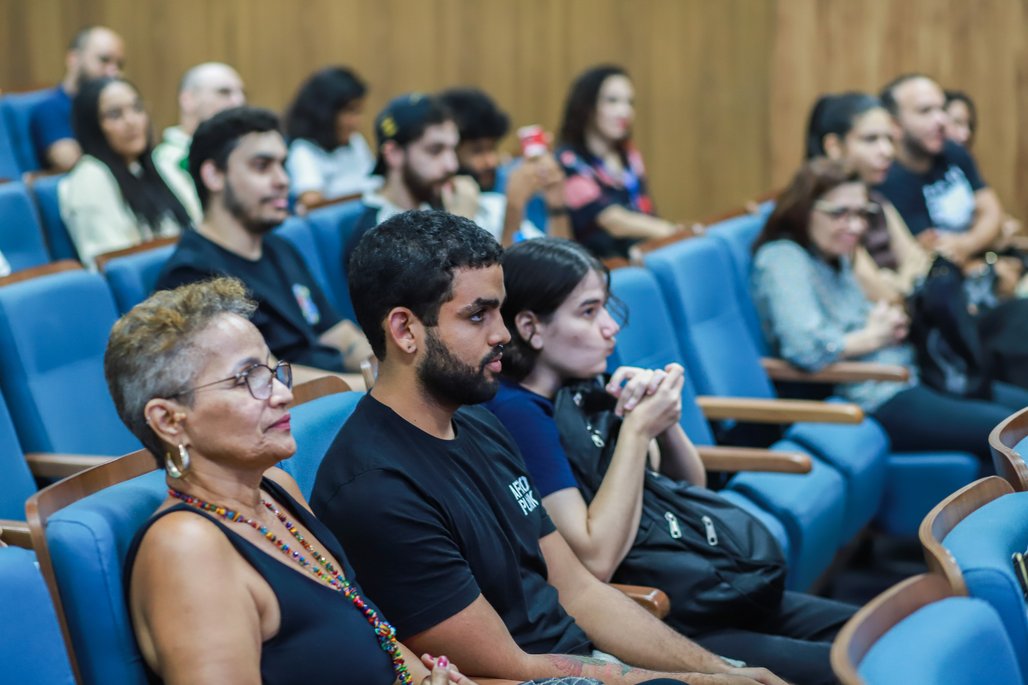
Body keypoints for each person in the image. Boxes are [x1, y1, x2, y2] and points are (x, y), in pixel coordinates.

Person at [311, 209, 787, 685]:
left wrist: (720, 670)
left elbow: (578, 588)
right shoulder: (375, 491)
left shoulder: (479, 421)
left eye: (499, 311)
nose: (502, 334)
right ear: (405, 331)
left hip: (587, 663)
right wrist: (694, 683)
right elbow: (509, 666)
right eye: (478, 315)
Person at [487, 237, 854, 685]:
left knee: (873, 637)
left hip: (698, 582)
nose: (609, 328)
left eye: (606, 308)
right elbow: (595, 558)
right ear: (531, 327)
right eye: (588, 312)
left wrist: (666, 421)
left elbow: (687, 486)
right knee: (851, 668)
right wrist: (637, 431)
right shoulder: (520, 413)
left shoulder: (578, 386)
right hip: (659, 613)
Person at [106, 276, 478, 685]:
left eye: (272, 370)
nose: (283, 394)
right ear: (169, 420)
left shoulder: (278, 490)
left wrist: (426, 680)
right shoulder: (186, 548)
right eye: (248, 378)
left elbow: (374, 634)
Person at [751, 157, 1028, 462]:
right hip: (874, 394)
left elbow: (853, 320)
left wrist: (886, 322)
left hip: (912, 372)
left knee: (1022, 415)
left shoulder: (833, 253)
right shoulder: (782, 259)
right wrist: (874, 336)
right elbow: (803, 348)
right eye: (839, 213)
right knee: (1012, 434)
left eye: (861, 214)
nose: (855, 226)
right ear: (804, 209)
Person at [155, 106, 371, 384]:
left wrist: (388, 372)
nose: (283, 180)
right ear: (214, 176)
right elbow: (258, 377)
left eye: (282, 165)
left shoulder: (279, 247)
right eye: (262, 166)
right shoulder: (191, 276)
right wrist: (367, 387)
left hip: (337, 394)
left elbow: (335, 331)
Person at [59, 77, 196, 269]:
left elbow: (198, 228)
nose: (131, 121)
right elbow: (113, 264)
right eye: (115, 115)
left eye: (137, 109)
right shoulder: (90, 176)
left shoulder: (158, 164)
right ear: (92, 126)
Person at [805, 92, 930, 302]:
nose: (887, 151)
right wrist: (902, 287)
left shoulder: (876, 199)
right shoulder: (823, 212)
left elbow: (919, 261)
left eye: (889, 139)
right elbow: (877, 291)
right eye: (871, 139)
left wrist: (895, 282)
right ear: (834, 147)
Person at [556, 65, 682, 259]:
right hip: (601, 266)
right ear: (587, 106)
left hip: (644, 255)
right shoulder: (567, 160)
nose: (625, 111)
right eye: (612, 101)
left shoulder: (629, 155)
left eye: (630, 102)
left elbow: (645, 208)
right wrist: (671, 231)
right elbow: (611, 219)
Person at [876, 74, 1003, 266]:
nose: (942, 120)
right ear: (895, 124)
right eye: (925, 111)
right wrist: (985, 242)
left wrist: (968, 243)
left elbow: (992, 212)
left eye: (942, 109)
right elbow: (931, 252)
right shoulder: (887, 177)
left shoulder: (953, 151)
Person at [438, 87, 570, 245]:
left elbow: (564, 263)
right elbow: (502, 269)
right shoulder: (436, 209)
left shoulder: (499, 191)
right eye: (477, 151)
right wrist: (514, 205)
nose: (491, 161)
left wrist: (556, 205)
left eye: (492, 148)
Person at [29, 26, 125, 172]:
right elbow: (71, 162)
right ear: (73, 59)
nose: (113, 73)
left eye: (119, 65)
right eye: (104, 60)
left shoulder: (118, 109)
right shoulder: (50, 108)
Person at [284, 66, 380, 210]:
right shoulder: (302, 150)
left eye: (359, 112)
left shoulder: (355, 141)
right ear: (324, 113)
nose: (356, 121)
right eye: (349, 111)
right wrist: (369, 196)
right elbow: (311, 205)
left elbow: (374, 182)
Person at [153, 62, 246, 183]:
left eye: (242, 93)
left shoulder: (241, 153)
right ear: (188, 100)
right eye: (224, 92)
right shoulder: (164, 163)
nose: (238, 102)